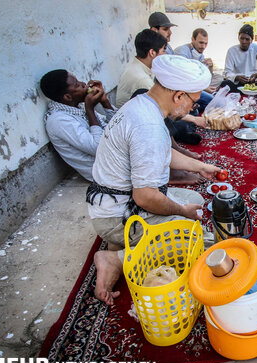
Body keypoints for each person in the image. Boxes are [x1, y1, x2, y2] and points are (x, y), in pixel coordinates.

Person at [86, 55, 222, 305]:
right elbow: (145, 197)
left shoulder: (143, 104)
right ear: (178, 96)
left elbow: (161, 152)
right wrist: (182, 212)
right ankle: (115, 258)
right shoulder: (147, 125)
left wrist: (200, 166)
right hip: (120, 212)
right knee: (202, 241)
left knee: (196, 199)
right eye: (193, 100)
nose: (194, 107)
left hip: (115, 200)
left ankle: (121, 245)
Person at [116, 29, 206, 159]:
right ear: (152, 53)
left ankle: (177, 141)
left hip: (147, 115)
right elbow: (163, 105)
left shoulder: (143, 66)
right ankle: (174, 146)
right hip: (139, 124)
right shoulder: (141, 78)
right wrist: (194, 119)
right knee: (183, 118)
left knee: (190, 113)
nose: (164, 54)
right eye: (163, 51)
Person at [40, 70, 115, 181]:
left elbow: (117, 126)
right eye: (77, 85)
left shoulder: (77, 107)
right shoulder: (59, 120)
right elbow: (97, 147)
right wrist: (90, 109)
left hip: (116, 156)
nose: (84, 84)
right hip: (106, 171)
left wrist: (104, 102)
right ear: (68, 97)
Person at [221, 24, 257, 93]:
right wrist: (237, 77)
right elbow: (227, 72)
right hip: (238, 83)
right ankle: (249, 91)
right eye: (242, 38)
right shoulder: (232, 50)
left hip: (253, 82)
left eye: (247, 39)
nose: (244, 42)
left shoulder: (256, 48)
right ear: (238, 38)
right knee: (225, 83)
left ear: (251, 40)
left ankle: (245, 91)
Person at [173, 28, 218, 111]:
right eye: (201, 43)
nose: (203, 46)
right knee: (211, 102)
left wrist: (211, 67)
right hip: (180, 90)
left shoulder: (199, 54)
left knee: (214, 100)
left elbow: (206, 78)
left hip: (193, 89)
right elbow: (183, 79)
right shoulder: (182, 52)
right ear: (193, 39)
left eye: (205, 43)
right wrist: (203, 88)